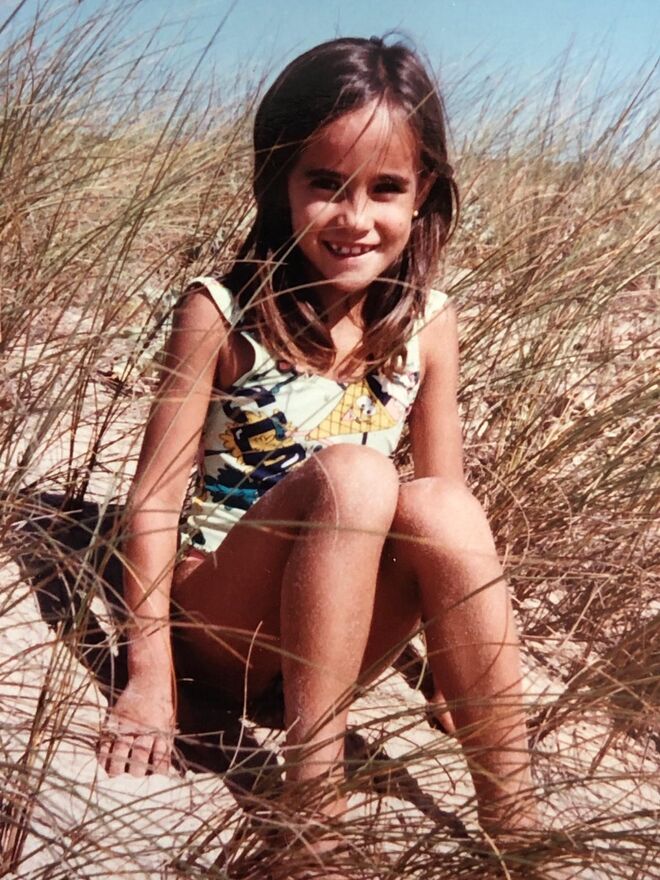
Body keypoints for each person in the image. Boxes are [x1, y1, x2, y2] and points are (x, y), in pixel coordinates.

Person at [98, 34, 537, 863]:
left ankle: (516, 823)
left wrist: (447, 673)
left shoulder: (427, 324)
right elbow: (153, 501)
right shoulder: (222, 312)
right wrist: (149, 678)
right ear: (280, 182)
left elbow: (447, 516)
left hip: (341, 640)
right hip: (223, 624)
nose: (355, 218)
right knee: (357, 476)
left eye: (386, 189)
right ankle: (314, 809)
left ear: (424, 193)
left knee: (439, 502)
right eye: (324, 185)